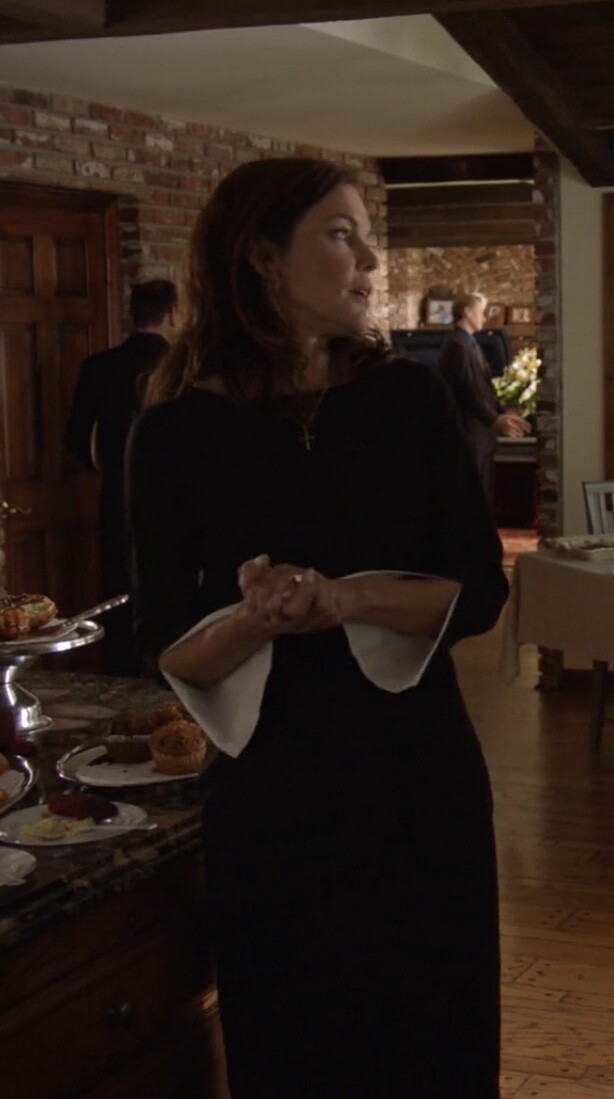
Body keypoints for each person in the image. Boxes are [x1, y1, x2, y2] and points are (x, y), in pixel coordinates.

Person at [126, 158, 507, 1098]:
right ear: (261, 256)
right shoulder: (173, 432)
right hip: (273, 804)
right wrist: (256, 619)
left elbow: (480, 591)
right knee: (292, 1053)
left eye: (366, 237)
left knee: (439, 1052)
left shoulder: (411, 399)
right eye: (342, 236)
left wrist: (342, 600)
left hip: (419, 782)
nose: (371, 261)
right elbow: (164, 643)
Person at [65, 278, 178, 674]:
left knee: (117, 593)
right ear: (173, 315)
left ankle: (119, 676)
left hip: (117, 497)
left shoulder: (97, 367)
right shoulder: (185, 366)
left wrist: (113, 468)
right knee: (171, 590)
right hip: (175, 502)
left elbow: (76, 440)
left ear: (133, 315)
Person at [436, 291, 529, 499]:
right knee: (470, 496)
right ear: (467, 312)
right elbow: (467, 391)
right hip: (469, 435)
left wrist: (503, 413)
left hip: (481, 436)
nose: (485, 318)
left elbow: (484, 388)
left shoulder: (472, 345)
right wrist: (495, 419)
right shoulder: (456, 346)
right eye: (481, 312)